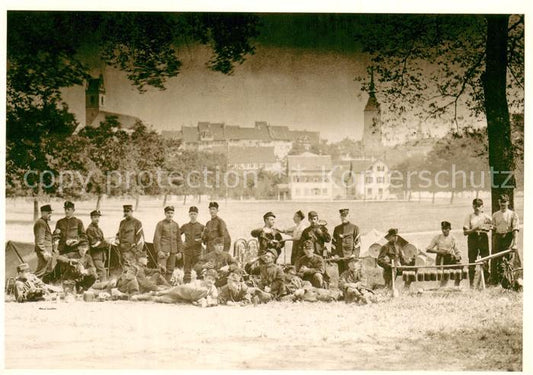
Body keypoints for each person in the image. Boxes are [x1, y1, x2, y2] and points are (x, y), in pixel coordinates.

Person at [131, 269, 219, 307]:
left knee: (161, 299)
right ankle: (138, 296)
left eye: (213, 280)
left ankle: (144, 297)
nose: (210, 281)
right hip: (180, 291)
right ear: (205, 278)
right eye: (209, 278)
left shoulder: (212, 288)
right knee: (162, 293)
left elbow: (214, 296)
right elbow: (190, 291)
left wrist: (209, 299)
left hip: (182, 299)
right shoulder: (198, 283)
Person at [491, 194, 520, 285]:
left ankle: (511, 283)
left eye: (504, 202)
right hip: (498, 238)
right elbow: (494, 228)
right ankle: (501, 283)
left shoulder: (513, 214)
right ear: (499, 202)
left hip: (508, 238)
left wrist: (514, 243)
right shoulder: (495, 215)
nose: (502, 204)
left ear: (508, 202)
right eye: (501, 202)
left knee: (509, 261)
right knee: (499, 262)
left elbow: (515, 230)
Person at [463, 199, 492, 287]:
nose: (477, 208)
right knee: (472, 261)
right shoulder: (469, 216)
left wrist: (488, 227)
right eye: (475, 206)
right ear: (473, 206)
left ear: (482, 206)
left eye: (479, 206)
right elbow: (465, 232)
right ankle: (471, 284)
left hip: (483, 238)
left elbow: (493, 226)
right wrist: (475, 228)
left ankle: (485, 284)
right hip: (473, 238)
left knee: (485, 260)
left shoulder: (486, 217)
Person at [426, 221, 462, 287]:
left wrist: (458, 256)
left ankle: (456, 286)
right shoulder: (437, 237)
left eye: (446, 229)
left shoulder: (453, 238)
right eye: (443, 229)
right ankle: (441, 289)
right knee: (444, 276)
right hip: (441, 259)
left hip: (450, 258)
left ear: (449, 229)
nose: (444, 230)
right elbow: (428, 249)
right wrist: (439, 252)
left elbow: (457, 250)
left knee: (460, 268)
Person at [153, 206, 183, 280]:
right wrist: (159, 251)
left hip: (173, 251)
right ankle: (160, 287)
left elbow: (179, 239)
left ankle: (167, 286)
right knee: (161, 270)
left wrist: (180, 252)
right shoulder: (160, 224)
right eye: (168, 213)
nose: (170, 215)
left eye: (172, 213)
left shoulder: (176, 225)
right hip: (163, 251)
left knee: (170, 270)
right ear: (165, 213)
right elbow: (156, 239)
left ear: (173, 214)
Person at [331, 208, 361, 275]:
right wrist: (335, 254)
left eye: (345, 216)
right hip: (340, 257)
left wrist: (354, 254)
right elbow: (333, 243)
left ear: (349, 216)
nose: (343, 217)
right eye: (342, 216)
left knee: (352, 275)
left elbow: (358, 243)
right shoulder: (337, 229)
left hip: (350, 257)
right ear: (340, 216)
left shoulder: (355, 228)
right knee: (341, 275)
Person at [180, 206, 205, 284]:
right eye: (191, 214)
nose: (193, 215)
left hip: (197, 252)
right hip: (187, 252)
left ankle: (199, 287)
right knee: (187, 271)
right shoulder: (185, 226)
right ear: (189, 215)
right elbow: (177, 236)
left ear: (197, 215)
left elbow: (206, 238)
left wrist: (201, 240)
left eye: (194, 214)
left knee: (199, 271)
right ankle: (186, 287)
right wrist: (182, 244)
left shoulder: (201, 226)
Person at [33, 204, 57, 282]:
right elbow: (39, 241)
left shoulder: (44, 222)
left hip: (48, 251)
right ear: (43, 213)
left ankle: (45, 290)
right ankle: (30, 287)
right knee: (40, 272)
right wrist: (44, 253)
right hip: (44, 252)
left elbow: (47, 237)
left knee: (47, 272)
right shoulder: (41, 223)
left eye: (50, 213)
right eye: (48, 213)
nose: (50, 215)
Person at [86, 210, 110, 281]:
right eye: (95, 217)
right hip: (95, 256)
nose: (97, 219)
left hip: (102, 256)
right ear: (91, 218)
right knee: (102, 272)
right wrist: (106, 243)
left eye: (98, 217)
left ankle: (99, 288)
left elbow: (101, 241)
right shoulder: (90, 229)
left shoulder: (99, 229)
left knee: (99, 273)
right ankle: (103, 288)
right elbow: (94, 244)